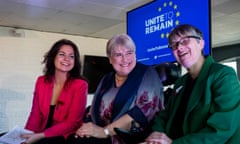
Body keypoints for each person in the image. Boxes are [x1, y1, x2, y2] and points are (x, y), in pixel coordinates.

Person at [143, 24, 240, 144]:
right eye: (174, 45)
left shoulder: (223, 75)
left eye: (184, 41)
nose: (179, 47)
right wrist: (155, 135)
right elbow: (165, 116)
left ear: (201, 43)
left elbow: (221, 130)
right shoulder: (180, 83)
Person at [69, 34, 164, 144]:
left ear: (135, 54)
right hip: (102, 136)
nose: (125, 59)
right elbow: (93, 110)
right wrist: (86, 129)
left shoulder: (147, 73)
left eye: (129, 53)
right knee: (73, 139)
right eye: (118, 55)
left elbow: (142, 113)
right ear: (110, 59)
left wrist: (104, 132)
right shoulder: (107, 79)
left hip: (129, 138)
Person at [21, 39, 88, 144]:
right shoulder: (41, 81)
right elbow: (36, 114)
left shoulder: (80, 85)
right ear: (53, 57)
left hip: (64, 135)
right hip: (41, 132)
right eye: (62, 54)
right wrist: (27, 134)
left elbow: (73, 122)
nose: (67, 59)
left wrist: (40, 136)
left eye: (71, 56)